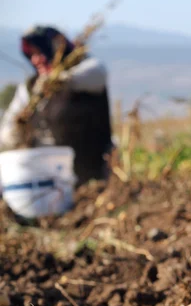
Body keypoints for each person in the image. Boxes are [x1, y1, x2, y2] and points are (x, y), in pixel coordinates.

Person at [0, 26, 113, 186]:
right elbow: (7, 131)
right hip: (49, 176)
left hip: (93, 172)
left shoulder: (86, 69)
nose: (35, 60)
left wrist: (61, 79)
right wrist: (17, 128)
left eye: (39, 53)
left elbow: (97, 75)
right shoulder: (30, 88)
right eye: (31, 55)